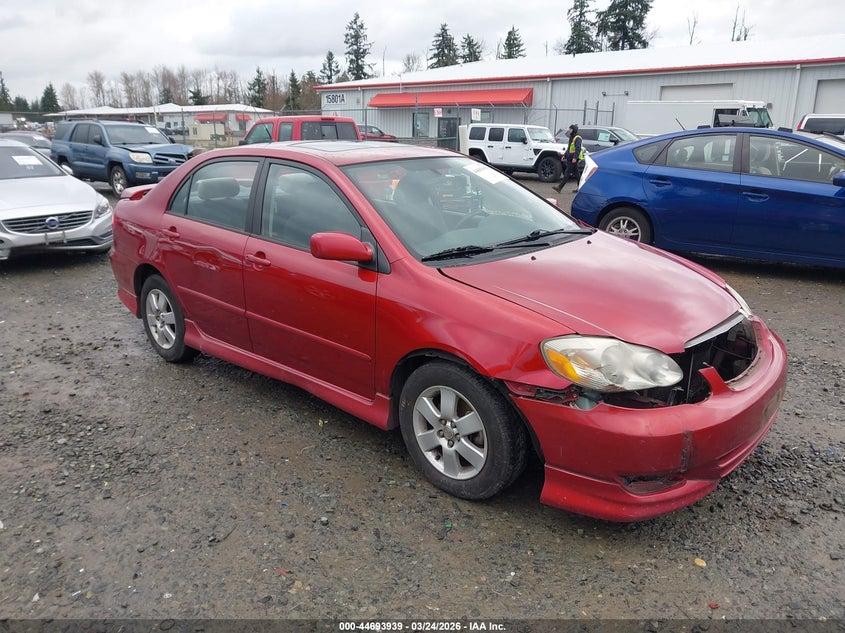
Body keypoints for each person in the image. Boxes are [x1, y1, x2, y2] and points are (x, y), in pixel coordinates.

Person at [552, 124, 584, 193]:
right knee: (577, 174)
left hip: (574, 158)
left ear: (573, 130)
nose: (568, 130)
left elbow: (578, 148)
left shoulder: (577, 138)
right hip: (570, 157)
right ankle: (581, 188)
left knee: (567, 172)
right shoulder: (571, 137)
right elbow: (569, 148)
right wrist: (564, 155)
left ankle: (559, 187)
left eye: (570, 129)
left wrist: (575, 158)